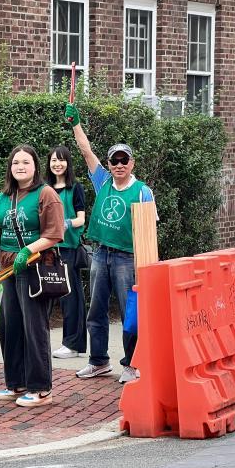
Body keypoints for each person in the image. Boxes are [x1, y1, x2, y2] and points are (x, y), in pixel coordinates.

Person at [65, 104, 156, 384]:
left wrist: (146, 268)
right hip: (100, 254)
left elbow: (148, 231)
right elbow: (85, 150)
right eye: (114, 161)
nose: (119, 165)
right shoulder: (102, 181)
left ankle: (131, 364)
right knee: (97, 310)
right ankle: (99, 361)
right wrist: (75, 123)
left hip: (127, 259)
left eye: (123, 160)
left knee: (131, 314)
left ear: (132, 164)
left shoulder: (142, 192)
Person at [0, 145, 64, 407]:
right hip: (8, 269)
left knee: (34, 327)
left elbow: (55, 233)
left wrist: (28, 249)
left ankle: (41, 388)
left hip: (34, 266)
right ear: (10, 168)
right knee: (10, 326)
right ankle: (16, 383)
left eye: (26, 162)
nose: (20, 167)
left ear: (36, 166)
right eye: (15, 163)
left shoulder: (45, 194)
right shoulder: (4, 197)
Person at [44, 145, 87, 359]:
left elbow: (81, 219)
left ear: (68, 163)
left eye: (61, 160)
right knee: (46, 296)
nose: (57, 164)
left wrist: (64, 223)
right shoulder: (44, 189)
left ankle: (72, 344)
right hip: (46, 250)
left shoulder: (75, 188)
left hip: (68, 249)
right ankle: (46, 342)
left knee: (71, 297)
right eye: (53, 160)